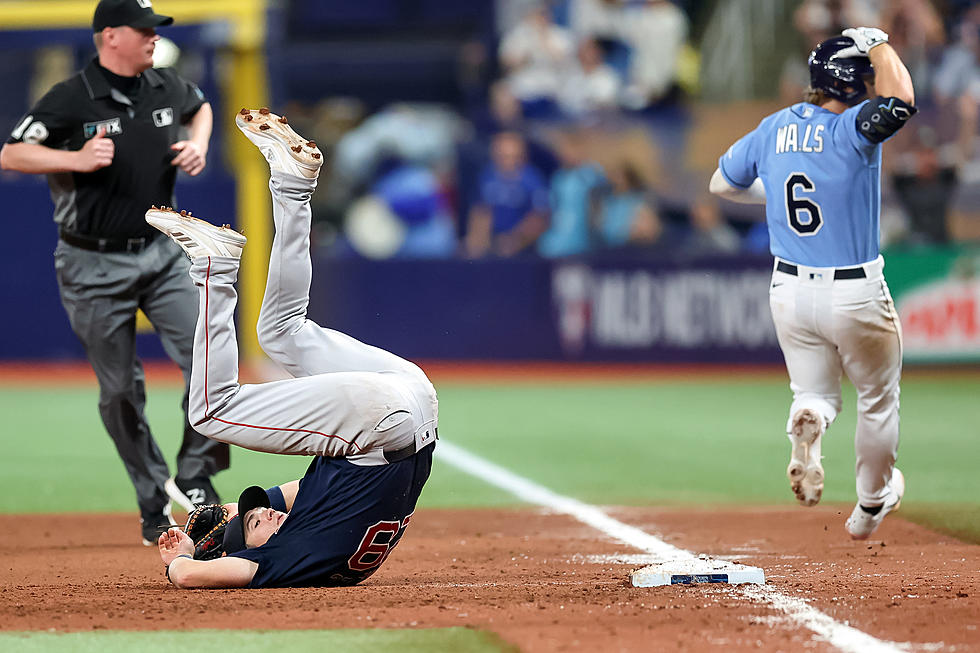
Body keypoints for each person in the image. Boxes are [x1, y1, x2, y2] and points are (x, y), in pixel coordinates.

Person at [152, 107, 438, 588]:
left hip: (414, 403)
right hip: (376, 422)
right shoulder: (290, 558)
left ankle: (292, 184)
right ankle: (213, 268)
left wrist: (215, 516)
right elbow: (193, 577)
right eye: (254, 527)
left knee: (280, 331)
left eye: (253, 517)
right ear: (257, 550)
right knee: (209, 412)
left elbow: (285, 494)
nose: (260, 517)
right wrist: (180, 559)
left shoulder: (306, 517)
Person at [0, 0, 226, 544]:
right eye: (143, 29)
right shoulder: (71, 98)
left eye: (155, 30)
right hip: (92, 261)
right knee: (121, 388)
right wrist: (73, 159)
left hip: (163, 248)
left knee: (210, 357)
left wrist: (197, 145)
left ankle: (196, 477)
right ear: (109, 36)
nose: (153, 37)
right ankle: (154, 500)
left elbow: (202, 108)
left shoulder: (166, 85)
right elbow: (12, 154)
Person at [709, 28, 916, 539]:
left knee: (816, 393)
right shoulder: (851, 129)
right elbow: (902, 101)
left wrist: (777, 193)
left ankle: (811, 417)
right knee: (877, 399)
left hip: (790, 291)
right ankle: (871, 503)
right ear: (851, 80)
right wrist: (880, 43)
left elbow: (721, 184)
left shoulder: (774, 127)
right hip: (854, 291)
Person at [465, 131, 549, 258]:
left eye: (512, 156)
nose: (508, 161)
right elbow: (481, 210)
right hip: (492, 245)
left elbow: (540, 217)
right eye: (503, 156)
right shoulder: (487, 176)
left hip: (525, 249)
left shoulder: (532, 179)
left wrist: (515, 240)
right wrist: (476, 240)